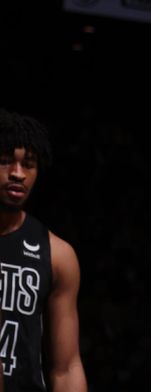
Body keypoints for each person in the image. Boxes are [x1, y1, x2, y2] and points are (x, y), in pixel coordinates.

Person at [0, 108, 88, 392]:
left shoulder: (58, 255)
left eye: (29, 164)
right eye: (4, 162)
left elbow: (66, 366)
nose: (17, 174)